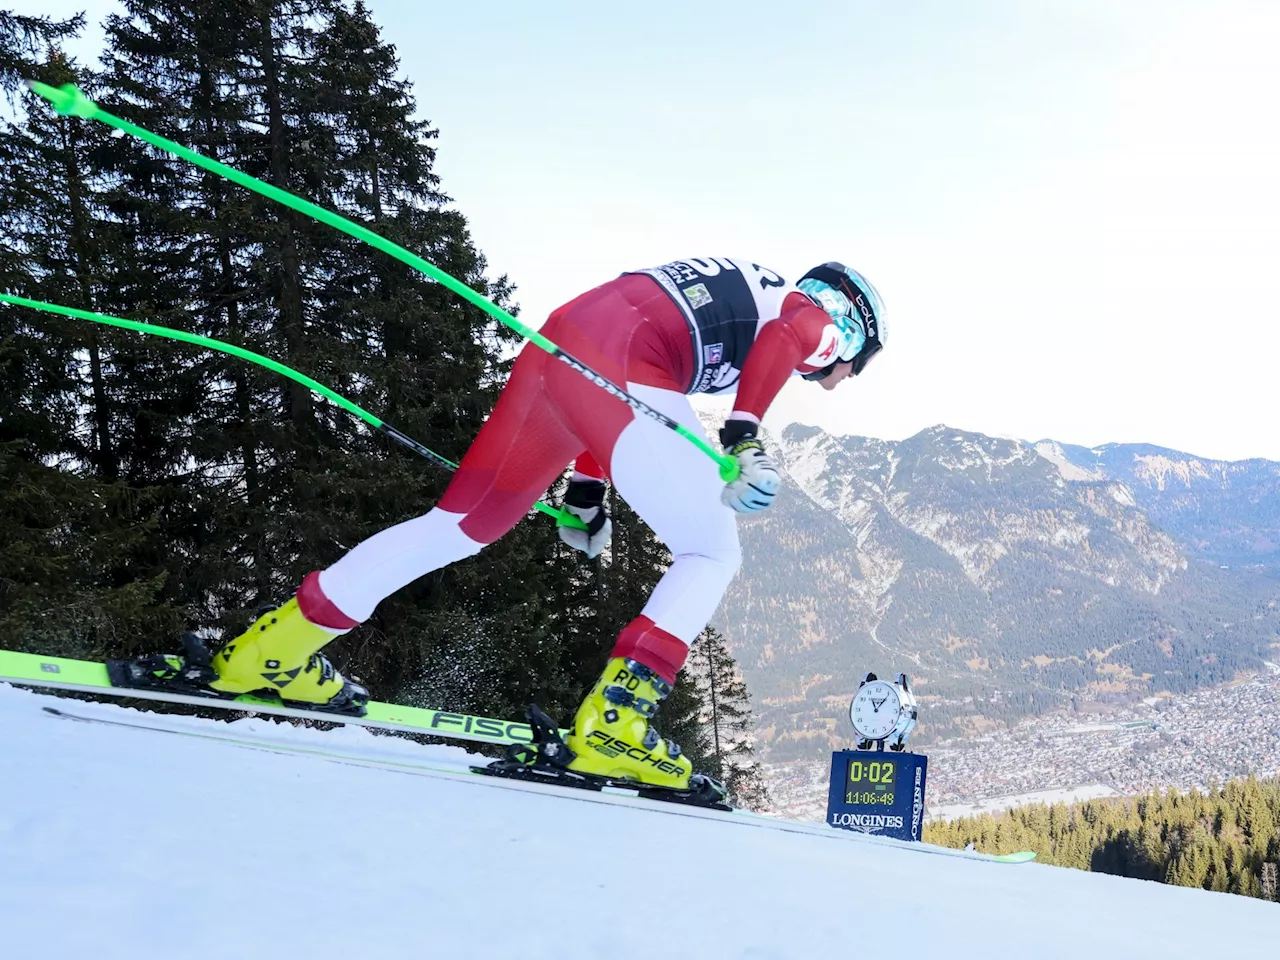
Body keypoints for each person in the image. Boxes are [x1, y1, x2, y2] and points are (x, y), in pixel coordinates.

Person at [206, 258, 886, 791]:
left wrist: (587, 486)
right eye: (849, 365)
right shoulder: (812, 313)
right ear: (848, 328)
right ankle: (617, 720)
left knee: (464, 524)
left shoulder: (755, 294)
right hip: (617, 361)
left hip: (563, 349)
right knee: (713, 550)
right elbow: (782, 339)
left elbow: (622, 376)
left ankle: (277, 650)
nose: (833, 380)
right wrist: (743, 439)